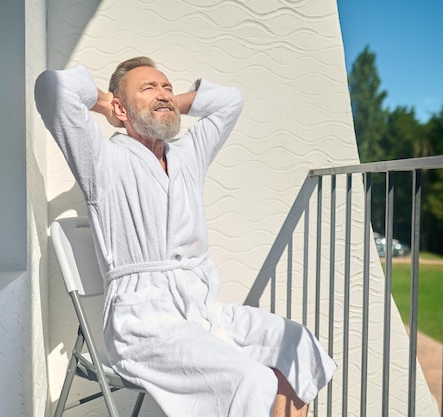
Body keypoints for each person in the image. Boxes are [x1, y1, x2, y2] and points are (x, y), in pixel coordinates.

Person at [35, 56, 336, 417]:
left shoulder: (188, 155)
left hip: (203, 311)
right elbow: (54, 90)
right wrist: (109, 105)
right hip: (143, 325)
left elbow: (230, 102)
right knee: (252, 380)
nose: (163, 94)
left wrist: (162, 105)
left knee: (297, 345)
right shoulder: (102, 160)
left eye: (167, 88)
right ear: (120, 107)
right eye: (147, 88)